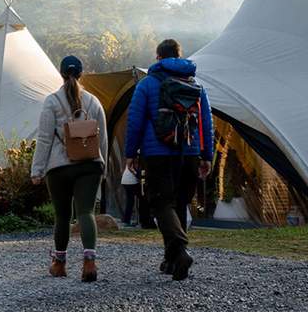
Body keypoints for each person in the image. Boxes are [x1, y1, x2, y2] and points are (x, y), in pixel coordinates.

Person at [125, 39, 214, 281]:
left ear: (158, 58)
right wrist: (207, 156)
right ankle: (172, 260)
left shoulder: (147, 84)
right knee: (178, 205)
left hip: (158, 155)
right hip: (190, 154)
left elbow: (135, 121)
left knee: (161, 204)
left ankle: (181, 250)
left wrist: (130, 153)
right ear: (179, 56)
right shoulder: (196, 85)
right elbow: (206, 123)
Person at [31, 55, 107, 282]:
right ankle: (90, 262)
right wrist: (102, 166)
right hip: (90, 165)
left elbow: (44, 138)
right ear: (81, 74)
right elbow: (102, 137)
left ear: (61, 74)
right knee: (86, 212)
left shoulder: (52, 101)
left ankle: (60, 264)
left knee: (62, 216)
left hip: (59, 167)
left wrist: (37, 170)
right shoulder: (94, 101)